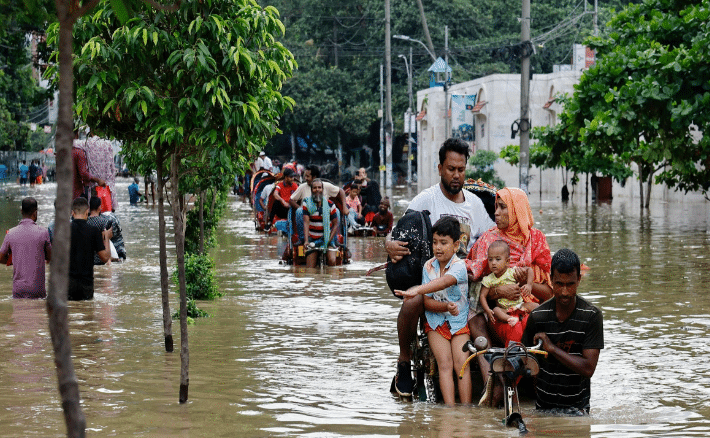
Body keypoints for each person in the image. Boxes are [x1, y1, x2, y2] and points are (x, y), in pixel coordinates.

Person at [385, 138, 495, 397]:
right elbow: (395, 233)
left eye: (461, 169)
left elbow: (494, 243)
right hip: (432, 285)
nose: (456, 175)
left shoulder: (475, 206)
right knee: (412, 300)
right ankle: (403, 363)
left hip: (466, 286)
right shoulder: (427, 199)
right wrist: (389, 244)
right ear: (440, 168)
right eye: (450, 169)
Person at [466, 187, 553, 405]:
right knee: (476, 321)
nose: (496, 212)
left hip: (527, 312)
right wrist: (498, 291)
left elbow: (550, 294)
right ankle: (493, 382)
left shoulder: (536, 240)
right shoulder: (489, 241)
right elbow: (474, 285)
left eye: (502, 207)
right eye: (495, 207)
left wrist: (526, 284)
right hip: (499, 315)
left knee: (536, 321)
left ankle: (538, 392)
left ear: (517, 210)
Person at [394, 217, 471, 405]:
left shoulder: (459, 266)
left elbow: (444, 282)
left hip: (459, 321)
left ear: (455, 246)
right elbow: (427, 303)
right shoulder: (428, 266)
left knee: (462, 365)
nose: (438, 247)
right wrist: (445, 307)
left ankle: (467, 411)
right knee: (445, 365)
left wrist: (417, 290)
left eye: (443, 243)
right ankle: (450, 410)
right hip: (436, 321)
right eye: (435, 242)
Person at [522, 248, 603, 415]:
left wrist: (552, 349)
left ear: (579, 280)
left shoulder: (591, 316)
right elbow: (526, 359)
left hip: (578, 411)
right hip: (543, 409)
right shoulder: (538, 317)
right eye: (559, 284)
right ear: (551, 280)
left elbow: (588, 368)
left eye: (570, 284)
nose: (565, 292)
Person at [0, 198, 51, 299]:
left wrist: (15, 260)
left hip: (18, 290)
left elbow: (0, 257)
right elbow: (50, 256)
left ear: (21, 211)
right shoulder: (43, 232)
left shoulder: (10, 233)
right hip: (37, 290)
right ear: (35, 213)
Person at [479, 240, 536, 330]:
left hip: (519, 305)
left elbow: (529, 270)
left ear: (507, 261)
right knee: (496, 311)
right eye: (490, 259)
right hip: (505, 309)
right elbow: (482, 295)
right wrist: (487, 310)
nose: (493, 263)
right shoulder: (488, 279)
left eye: (498, 259)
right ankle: (511, 319)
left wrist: (529, 285)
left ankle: (540, 320)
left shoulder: (512, 272)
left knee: (535, 306)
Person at [289, 164, 349, 243]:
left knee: (336, 211)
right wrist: (300, 208)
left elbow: (341, 191)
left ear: (314, 177)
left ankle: (333, 239)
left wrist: (344, 207)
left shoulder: (325, 186)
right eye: (305, 176)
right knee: (299, 211)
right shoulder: (303, 187)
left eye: (307, 176)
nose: (305, 178)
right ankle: (303, 239)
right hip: (308, 216)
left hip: (324, 216)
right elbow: (291, 200)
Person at [68, 197, 110, 300]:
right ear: (87, 212)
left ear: (72, 212)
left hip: (68, 285)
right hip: (86, 284)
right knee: (88, 313)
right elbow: (105, 258)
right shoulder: (93, 231)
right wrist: (107, 238)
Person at [302, 179, 339, 267]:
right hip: (313, 240)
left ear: (322, 189)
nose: (317, 190)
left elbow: (335, 224)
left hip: (328, 239)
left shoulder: (330, 204)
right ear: (311, 190)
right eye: (315, 188)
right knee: (310, 269)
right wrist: (306, 241)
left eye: (319, 187)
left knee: (332, 261)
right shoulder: (306, 203)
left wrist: (328, 240)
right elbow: (306, 223)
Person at [73, 133, 106, 199]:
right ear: (76, 133)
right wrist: (98, 180)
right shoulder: (78, 152)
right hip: (76, 193)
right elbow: (84, 173)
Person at [87, 197, 116, 265]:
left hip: (88, 259)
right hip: (101, 258)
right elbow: (106, 239)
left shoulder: (86, 221)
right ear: (99, 207)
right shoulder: (103, 222)